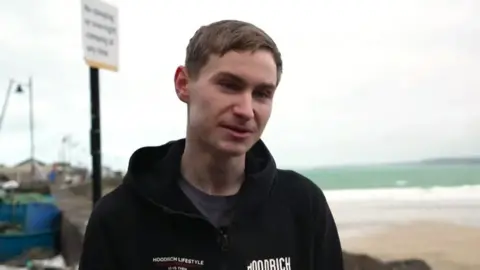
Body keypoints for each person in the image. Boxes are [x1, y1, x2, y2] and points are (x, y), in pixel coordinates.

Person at [79, 19, 344, 270]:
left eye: (262, 94)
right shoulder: (119, 218)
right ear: (183, 84)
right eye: (229, 85)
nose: (246, 110)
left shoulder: (303, 207)